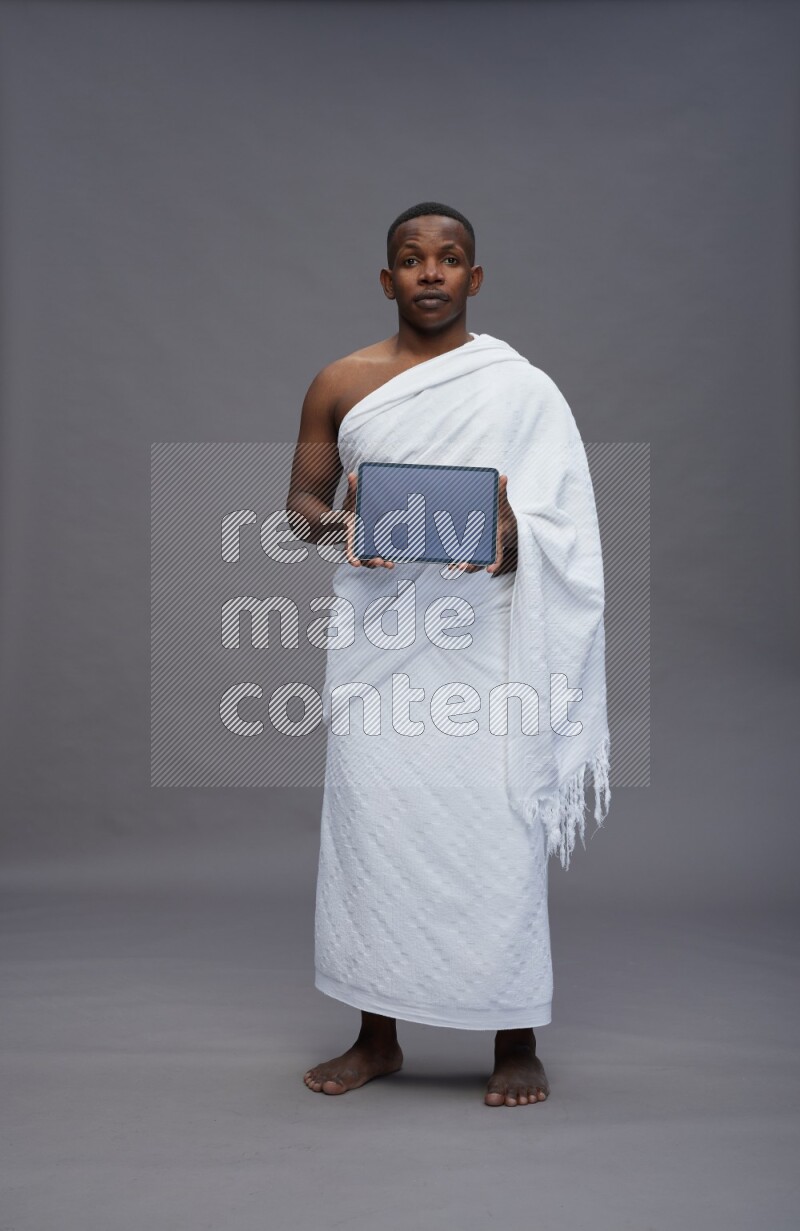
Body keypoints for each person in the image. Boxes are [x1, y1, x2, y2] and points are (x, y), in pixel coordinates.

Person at [285, 202, 610, 1108]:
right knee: (375, 826)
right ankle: (376, 1035)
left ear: (475, 276)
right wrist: (351, 527)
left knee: (495, 827)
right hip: (380, 640)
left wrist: (510, 533)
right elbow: (301, 506)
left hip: (488, 641)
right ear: (387, 278)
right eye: (412, 257)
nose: (431, 271)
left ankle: (515, 1034)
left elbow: (566, 524)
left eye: (450, 257)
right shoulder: (339, 382)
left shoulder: (523, 389)